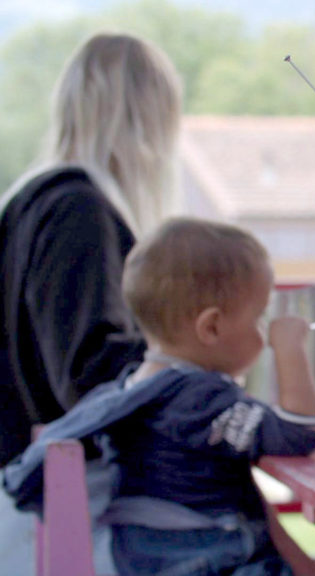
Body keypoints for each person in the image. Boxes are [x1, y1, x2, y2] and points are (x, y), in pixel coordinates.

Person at [4, 217, 315, 575]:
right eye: (260, 318)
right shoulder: (200, 398)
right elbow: (299, 433)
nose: (264, 333)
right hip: (192, 555)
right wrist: (291, 347)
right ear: (212, 327)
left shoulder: (130, 386)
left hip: (139, 553)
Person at [0, 32, 183, 573]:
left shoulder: (33, 199)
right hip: (57, 503)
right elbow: (87, 370)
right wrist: (187, 366)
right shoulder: (81, 210)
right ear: (150, 120)